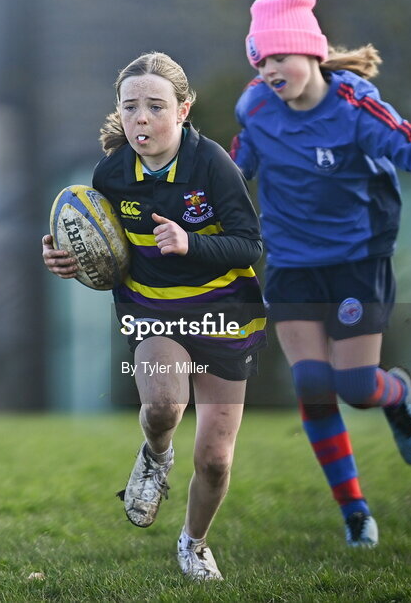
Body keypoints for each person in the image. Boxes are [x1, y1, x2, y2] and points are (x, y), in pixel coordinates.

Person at [231, 0, 411, 548]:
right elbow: (232, 173)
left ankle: (397, 395)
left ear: (311, 51)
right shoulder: (255, 109)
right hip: (292, 263)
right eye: (261, 62)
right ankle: (355, 512)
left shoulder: (354, 106)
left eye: (279, 57)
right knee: (313, 383)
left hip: (356, 262)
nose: (269, 72)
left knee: (355, 385)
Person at [41, 52, 266, 581]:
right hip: (154, 312)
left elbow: (249, 246)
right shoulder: (111, 173)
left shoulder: (211, 164)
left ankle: (193, 542)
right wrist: (68, 260)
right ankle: (156, 454)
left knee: (214, 459)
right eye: (130, 107)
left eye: (155, 106)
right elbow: (104, 250)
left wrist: (190, 244)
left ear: (184, 110)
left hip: (224, 315)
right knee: (163, 406)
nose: (141, 118)